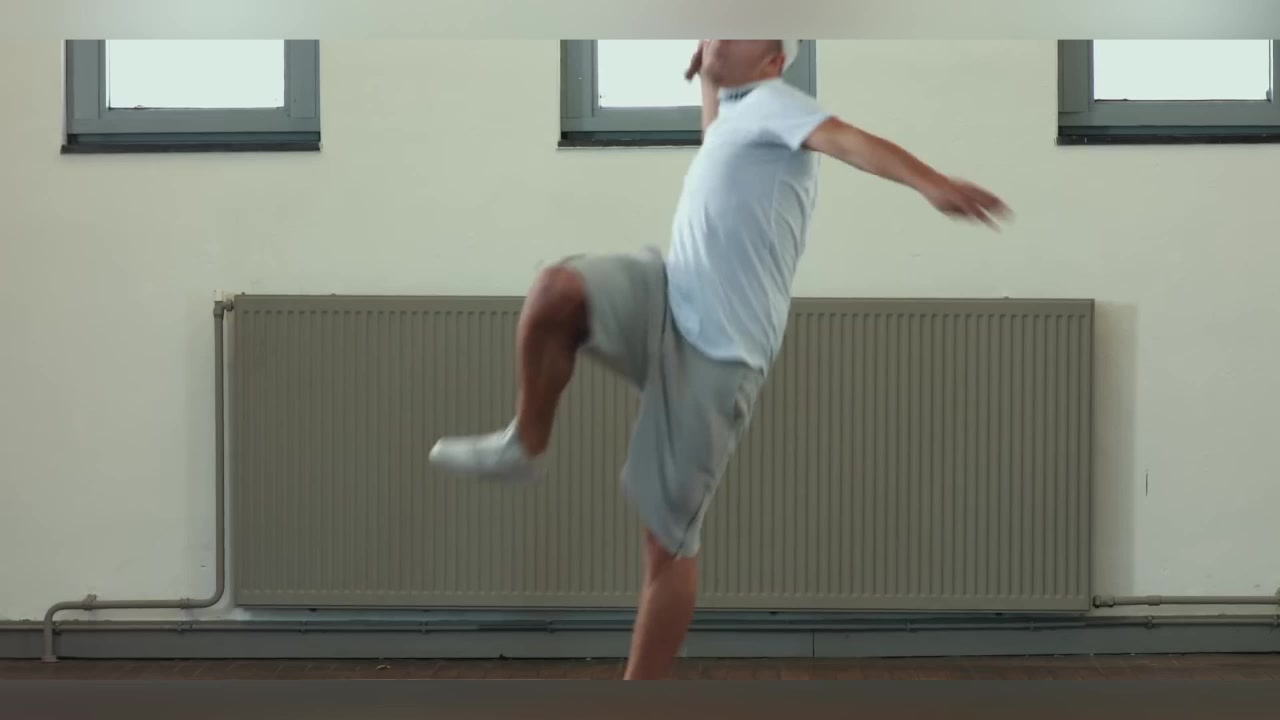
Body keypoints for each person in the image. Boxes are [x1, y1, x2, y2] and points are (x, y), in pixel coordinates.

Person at [429, 39, 1009, 680]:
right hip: (668, 298)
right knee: (556, 291)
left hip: (720, 354)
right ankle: (525, 445)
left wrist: (933, 185)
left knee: (666, 543)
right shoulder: (737, 116)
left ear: (773, 62)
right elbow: (714, 126)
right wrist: (706, 76)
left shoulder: (777, 104)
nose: (717, 35)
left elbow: (847, 140)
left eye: (736, 30)